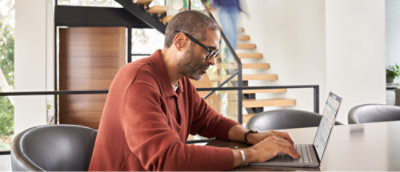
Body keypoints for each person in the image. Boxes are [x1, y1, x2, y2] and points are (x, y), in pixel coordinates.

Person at [89, 10, 299, 171]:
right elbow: (168, 159)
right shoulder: (138, 82)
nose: (213, 62)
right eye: (209, 51)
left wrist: (250, 137)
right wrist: (250, 155)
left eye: (215, 54)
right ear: (180, 41)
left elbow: (210, 122)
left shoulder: (182, 83)